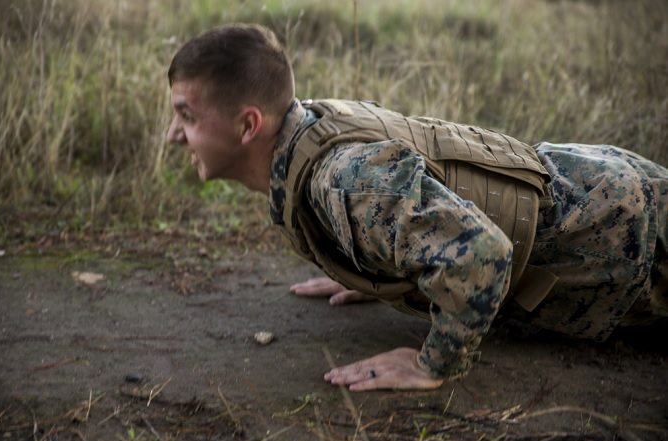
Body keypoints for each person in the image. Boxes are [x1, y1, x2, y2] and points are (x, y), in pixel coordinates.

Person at [165, 23, 668, 391]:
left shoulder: (345, 183)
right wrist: (378, 257)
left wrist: (433, 364)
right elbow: (411, 197)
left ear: (248, 125)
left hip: (620, 236)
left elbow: (481, 253)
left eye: (185, 116)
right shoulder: (310, 129)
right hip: (596, 182)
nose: (173, 135)